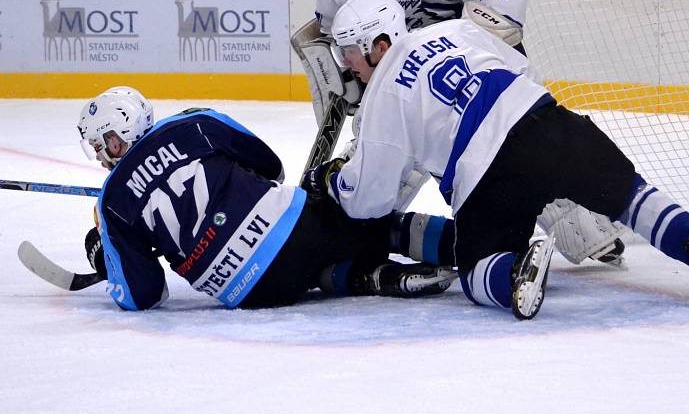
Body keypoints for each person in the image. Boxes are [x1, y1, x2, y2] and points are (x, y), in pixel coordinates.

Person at [294, 0, 627, 267]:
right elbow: (329, 35)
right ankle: (361, 235)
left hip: (468, 78)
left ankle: (593, 223)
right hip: (400, 85)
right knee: (365, 192)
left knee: (529, 166)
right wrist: (349, 81)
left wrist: (458, 56)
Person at [301, 0, 689, 320]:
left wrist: (334, 179)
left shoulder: (382, 96)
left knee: (474, 273)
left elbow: (369, 201)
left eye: (348, 51)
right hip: (546, 120)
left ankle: (514, 274)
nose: (345, 64)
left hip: (487, 173)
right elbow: (523, 69)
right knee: (629, 196)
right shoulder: (452, 29)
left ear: (378, 44)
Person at [77, 86, 455, 311]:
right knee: (373, 224)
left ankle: (377, 277)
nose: (99, 156)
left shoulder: (111, 203)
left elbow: (141, 295)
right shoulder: (196, 122)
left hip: (250, 293)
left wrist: (109, 253)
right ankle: (464, 243)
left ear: (116, 137)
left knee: (313, 273)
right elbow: (272, 167)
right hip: (293, 232)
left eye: (99, 146)